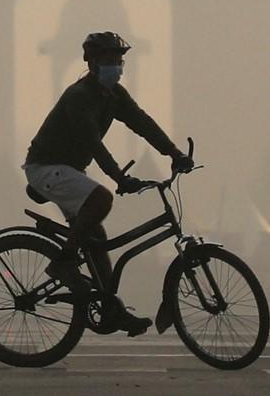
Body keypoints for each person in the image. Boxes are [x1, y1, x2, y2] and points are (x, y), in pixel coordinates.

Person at [22, 30, 191, 337]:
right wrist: (119, 178)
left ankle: (110, 307)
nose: (116, 65)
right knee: (101, 199)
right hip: (45, 168)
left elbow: (142, 123)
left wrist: (174, 152)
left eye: (119, 60)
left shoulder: (115, 96)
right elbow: (94, 144)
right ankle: (63, 263)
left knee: (96, 238)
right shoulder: (79, 97)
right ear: (91, 63)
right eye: (109, 60)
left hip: (68, 171)